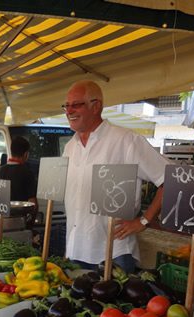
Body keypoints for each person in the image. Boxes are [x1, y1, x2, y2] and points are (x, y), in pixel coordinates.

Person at [62, 80, 168, 274]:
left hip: (114, 252)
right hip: (76, 250)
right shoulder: (70, 147)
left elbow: (170, 178)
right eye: (66, 106)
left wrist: (144, 221)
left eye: (76, 105)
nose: (69, 111)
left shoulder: (126, 140)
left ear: (96, 106)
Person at [0, 136, 38, 210]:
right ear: (26, 154)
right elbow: (33, 203)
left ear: (11, 152)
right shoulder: (27, 173)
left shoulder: (0, 171)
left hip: (3, 215)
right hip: (21, 215)